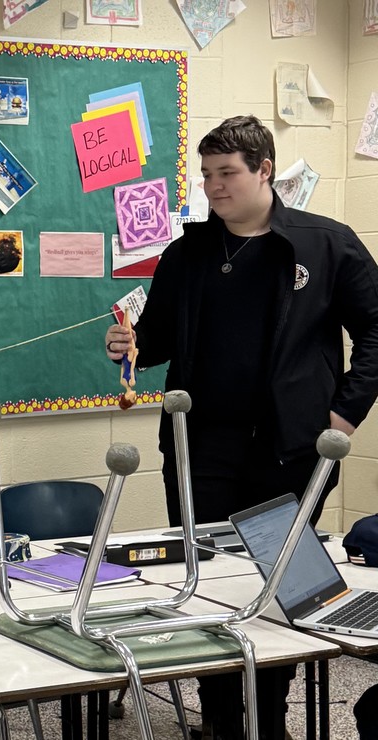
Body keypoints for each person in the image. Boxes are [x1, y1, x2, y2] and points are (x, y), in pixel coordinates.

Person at [104, 115, 378, 739]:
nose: (214, 187)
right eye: (206, 175)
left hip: (292, 447)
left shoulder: (326, 244)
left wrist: (345, 410)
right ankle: (223, 721)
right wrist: (131, 344)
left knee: (276, 587)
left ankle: (266, 722)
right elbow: (161, 338)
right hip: (201, 445)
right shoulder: (188, 251)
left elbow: (377, 330)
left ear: (265, 171)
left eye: (227, 173)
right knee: (207, 583)